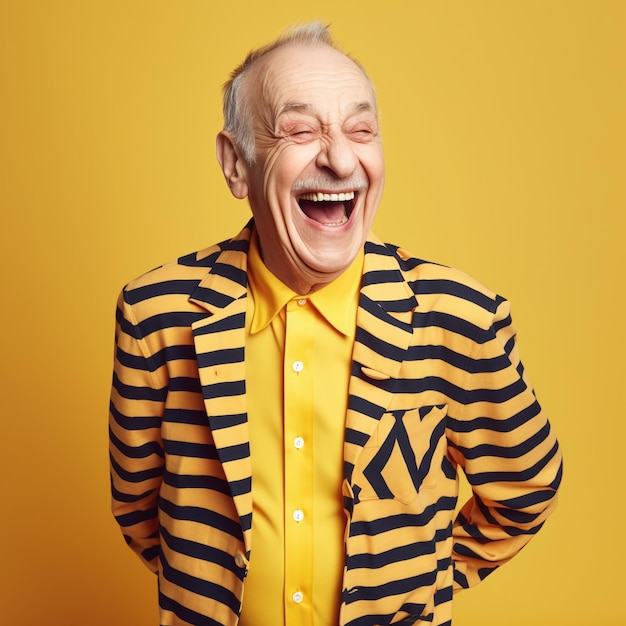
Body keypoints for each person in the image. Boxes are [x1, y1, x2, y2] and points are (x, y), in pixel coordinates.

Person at [109, 22, 562, 626]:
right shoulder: (157, 316)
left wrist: (426, 585)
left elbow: (527, 488)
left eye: (361, 130)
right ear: (236, 164)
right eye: (300, 130)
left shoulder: (458, 319)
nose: (341, 157)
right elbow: (139, 508)